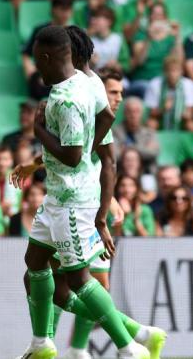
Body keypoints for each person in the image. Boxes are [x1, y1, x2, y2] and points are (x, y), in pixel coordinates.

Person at [16, 25, 152, 359]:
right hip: (58, 196)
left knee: (80, 280)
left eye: (37, 60)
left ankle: (130, 346)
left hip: (72, 201)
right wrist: (90, 149)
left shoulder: (65, 100)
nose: (36, 68)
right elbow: (107, 116)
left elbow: (73, 156)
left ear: (46, 57)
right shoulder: (88, 81)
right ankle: (41, 342)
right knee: (35, 261)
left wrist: (38, 130)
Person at [22, 0, 74, 82]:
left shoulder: (74, 33)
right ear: (53, 9)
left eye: (68, 9)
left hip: (67, 76)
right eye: (62, 9)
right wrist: (31, 71)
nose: (65, 13)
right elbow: (26, 54)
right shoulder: (40, 30)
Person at [144, 55, 193, 130]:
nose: (172, 74)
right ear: (164, 71)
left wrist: (180, 112)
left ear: (181, 71)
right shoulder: (155, 84)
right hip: (160, 120)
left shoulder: (188, 84)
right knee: (151, 123)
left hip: (181, 122)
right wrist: (163, 109)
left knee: (191, 125)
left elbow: (190, 112)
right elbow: (150, 113)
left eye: (176, 70)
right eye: (170, 70)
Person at [112, 97, 159, 171]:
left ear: (142, 113)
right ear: (124, 113)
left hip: (146, 171)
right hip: (121, 173)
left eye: (137, 111)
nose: (133, 115)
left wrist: (128, 148)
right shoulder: (114, 132)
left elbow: (153, 153)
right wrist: (143, 149)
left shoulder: (149, 133)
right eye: (130, 111)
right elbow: (114, 156)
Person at [88, 6, 130, 72]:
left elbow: (126, 65)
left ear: (109, 21)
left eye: (97, 18)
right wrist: (91, 64)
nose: (93, 21)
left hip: (113, 75)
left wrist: (115, 66)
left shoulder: (118, 39)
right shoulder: (88, 39)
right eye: (92, 18)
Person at [0, 145, 22, 218]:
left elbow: (19, 206)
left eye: (5, 159)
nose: (1, 163)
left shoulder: (18, 179)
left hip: (12, 219)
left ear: (12, 160)